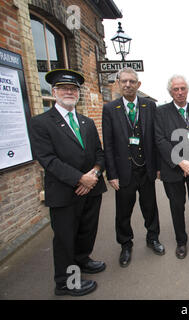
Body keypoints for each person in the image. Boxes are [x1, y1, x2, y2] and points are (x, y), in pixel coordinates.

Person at [30, 69, 107, 296]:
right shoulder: (41, 123)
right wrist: (79, 178)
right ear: (54, 92)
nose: (69, 92)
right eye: (64, 88)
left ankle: (82, 261)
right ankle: (66, 282)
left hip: (91, 188)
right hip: (65, 192)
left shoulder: (86, 122)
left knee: (86, 231)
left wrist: (93, 175)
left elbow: (99, 153)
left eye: (73, 89)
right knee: (65, 238)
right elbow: (47, 159)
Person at [102, 68, 164, 267]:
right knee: (123, 211)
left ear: (138, 84)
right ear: (118, 83)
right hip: (123, 172)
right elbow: (108, 145)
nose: (128, 85)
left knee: (150, 207)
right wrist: (111, 174)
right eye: (124, 81)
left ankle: (153, 238)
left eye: (132, 81)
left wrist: (158, 167)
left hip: (146, 170)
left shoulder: (149, 106)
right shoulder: (110, 109)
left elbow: (156, 139)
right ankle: (125, 244)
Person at [154, 75, 189, 259]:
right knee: (177, 207)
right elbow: (160, 140)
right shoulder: (161, 112)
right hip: (173, 169)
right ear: (170, 91)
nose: (179, 92)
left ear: (187, 90)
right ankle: (181, 242)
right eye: (176, 89)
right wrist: (181, 162)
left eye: (183, 88)